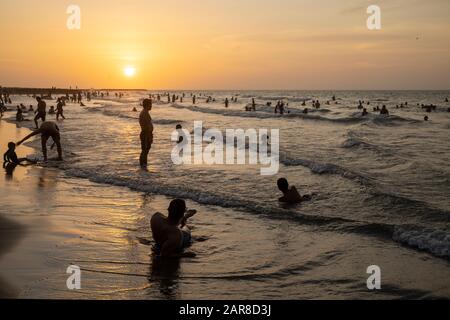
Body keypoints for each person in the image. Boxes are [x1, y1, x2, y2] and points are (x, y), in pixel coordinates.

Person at [139, 99, 154, 168]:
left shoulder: (145, 112)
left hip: (146, 134)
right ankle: (143, 166)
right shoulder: (144, 113)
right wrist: (149, 135)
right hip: (146, 134)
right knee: (145, 151)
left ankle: (143, 167)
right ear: (147, 105)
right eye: (150, 104)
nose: (151, 106)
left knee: (145, 151)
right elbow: (147, 126)